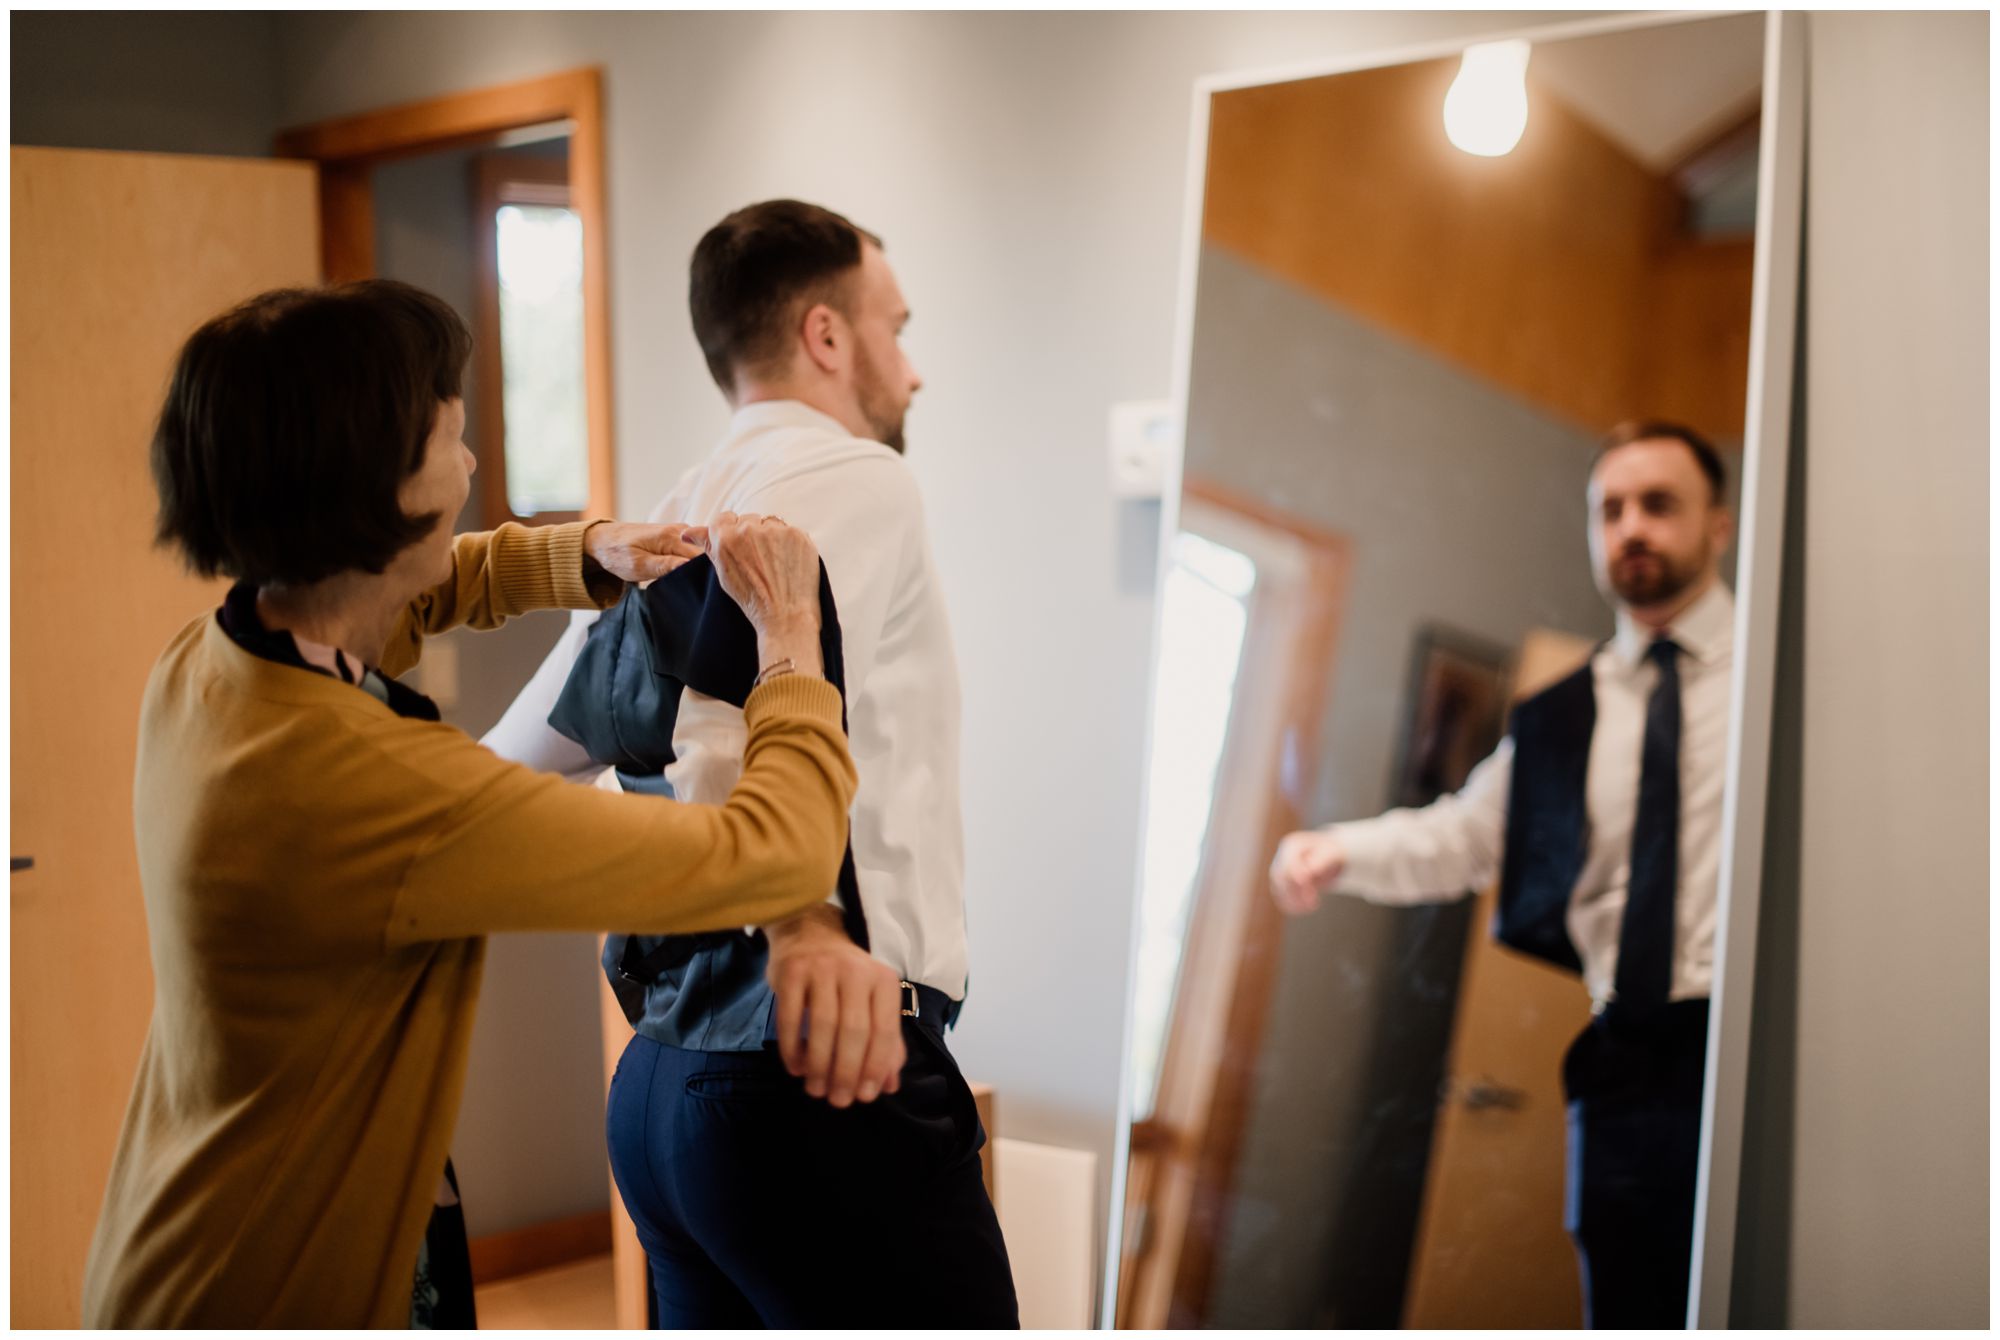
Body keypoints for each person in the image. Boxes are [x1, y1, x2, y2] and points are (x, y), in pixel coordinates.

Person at [80, 279, 908, 1328]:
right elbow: (770, 853)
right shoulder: (381, 790)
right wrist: (791, 645)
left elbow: (418, 590)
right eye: (449, 438)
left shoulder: (216, 659)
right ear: (372, 490)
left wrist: (582, 552)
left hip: (188, 1229)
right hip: (271, 1275)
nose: (471, 466)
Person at [487, 200, 1018, 1327]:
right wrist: (797, 918)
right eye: (897, 327)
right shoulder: (860, 478)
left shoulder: (676, 513)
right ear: (826, 336)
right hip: (814, 1074)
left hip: (660, 1090)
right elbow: (727, 714)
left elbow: (514, 763)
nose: (911, 370)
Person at [1268, 421, 1736, 1329]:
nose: (1631, 527)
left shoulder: (1778, 681)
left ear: (1718, 525)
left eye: (1659, 504)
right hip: (1625, 1063)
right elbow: (1466, 838)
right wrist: (1336, 850)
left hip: (1754, 1047)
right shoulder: (1564, 713)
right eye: (1610, 510)